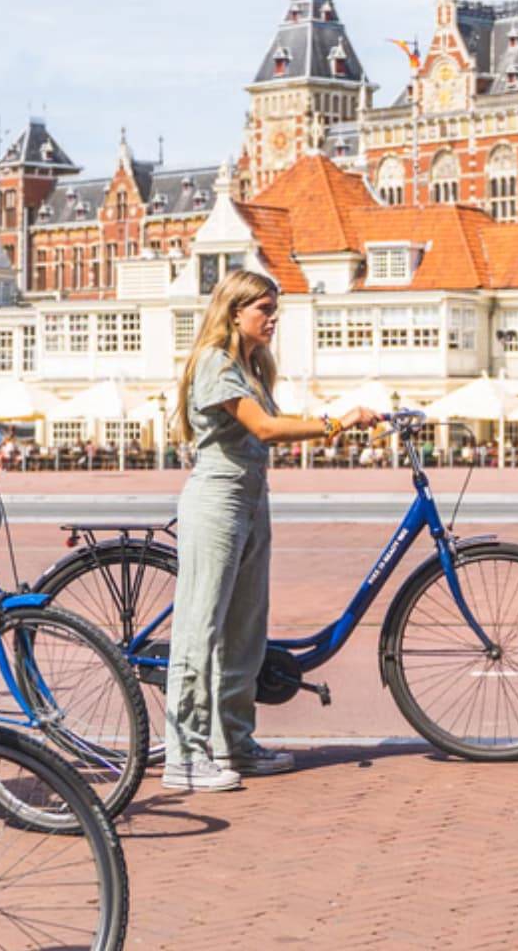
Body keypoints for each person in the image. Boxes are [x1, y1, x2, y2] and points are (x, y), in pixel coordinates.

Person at [163, 270, 377, 792]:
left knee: (245, 630)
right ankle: (184, 755)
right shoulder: (215, 363)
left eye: (274, 308)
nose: (273, 317)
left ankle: (235, 742)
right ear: (235, 312)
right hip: (217, 499)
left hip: (252, 498)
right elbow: (263, 428)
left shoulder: (251, 365)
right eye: (264, 308)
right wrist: (336, 423)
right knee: (200, 627)